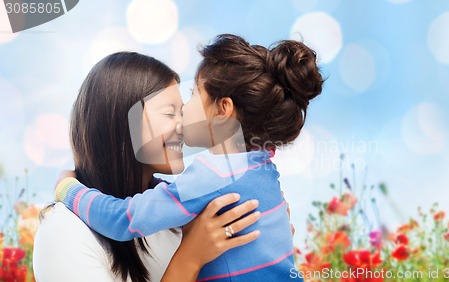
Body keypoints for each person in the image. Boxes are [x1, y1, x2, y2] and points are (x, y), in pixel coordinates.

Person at [54, 34, 324, 281]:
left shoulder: (211, 175)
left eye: (193, 96)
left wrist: (69, 189)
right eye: (170, 112)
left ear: (223, 110)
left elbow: (124, 219)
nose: (182, 118)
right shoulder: (262, 166)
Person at [33, 51, 262, 282]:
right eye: (170, 113)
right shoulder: (63, 231)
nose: (184, 125)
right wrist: (191, 257)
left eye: (182, 112)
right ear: (122, 121)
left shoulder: (179, 219)